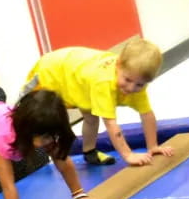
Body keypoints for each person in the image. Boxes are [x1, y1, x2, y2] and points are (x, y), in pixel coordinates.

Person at [21, 37, 174, 166]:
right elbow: (111, 123)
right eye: (127, 80)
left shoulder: (135, 79)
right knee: (35, 114)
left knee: (91, 117)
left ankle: (89, 152)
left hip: (79, 79)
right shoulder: (104, 82)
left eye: (139, 84)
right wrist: (128, 155)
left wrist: (152, 146)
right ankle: (20, 147)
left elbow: (147, 115)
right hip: (50, 71)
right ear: (118, 65)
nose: (131, 87)